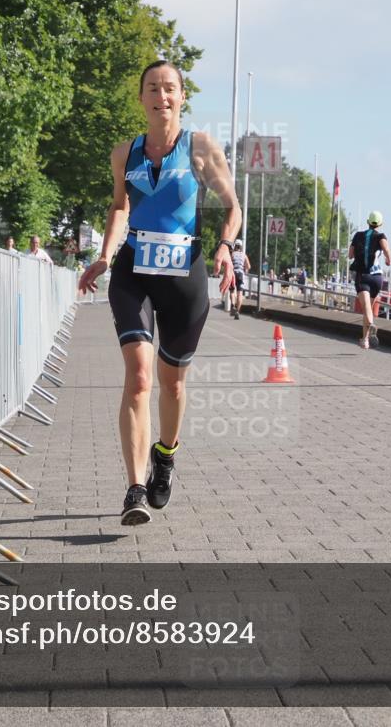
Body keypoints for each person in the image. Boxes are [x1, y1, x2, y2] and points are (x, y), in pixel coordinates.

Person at [77, 60, 240, 526]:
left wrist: (226, 248)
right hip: (133, 273)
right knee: (140, 377)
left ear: (181, 97)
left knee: (172, 383)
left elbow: (233, 207)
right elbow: (119, 205)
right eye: (153, 88)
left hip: (184, 275)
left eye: (170, 88)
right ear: (141, 97)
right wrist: (106, 255)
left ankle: (164, 456)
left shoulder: (201, 148)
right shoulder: (123, 153)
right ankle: (133, 488)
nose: (161, 96)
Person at [348, 210, 391, 348]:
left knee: (366, 308)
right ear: (380, 224)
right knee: (369, 308)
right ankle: (365, 340)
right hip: (377, 278)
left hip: (363, 276)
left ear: (368, 222)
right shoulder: (381, 236)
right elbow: (386, 249)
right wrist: (388, 260)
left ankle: (372, 325)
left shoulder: (358, 235)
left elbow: (350, 255)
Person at [230, 239, 251, 319]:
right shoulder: (244, 255)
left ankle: (232, 305)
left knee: (232, 291)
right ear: (241, 247)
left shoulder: (232, 254)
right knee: (240, 293)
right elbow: (248, 266)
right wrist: (244, 270)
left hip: (232, 274)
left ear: (234, 246)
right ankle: (237, 312)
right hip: (240, 275)